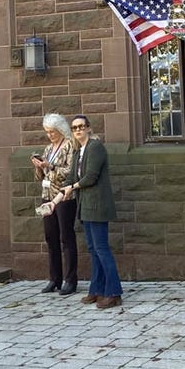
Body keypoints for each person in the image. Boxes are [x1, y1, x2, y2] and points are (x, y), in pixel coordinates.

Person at [51, 115, 123, 309]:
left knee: (101, 249)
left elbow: (91, 177)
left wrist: (72, 187)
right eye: (74, 128)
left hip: (97, 206)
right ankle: (97, 289)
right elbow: (70, 178)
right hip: (85, 207)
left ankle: (114, 292)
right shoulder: (78, 151)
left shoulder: (95, 147)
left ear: (89, 128)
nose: (78, 130)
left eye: (81, 126)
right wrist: (54, 202)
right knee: (92, 249)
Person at [31, 113, 78, 296]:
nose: (50, 135)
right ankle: (54, 278)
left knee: (66, 237)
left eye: (52, 132)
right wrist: (38, 166)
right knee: (50, 237)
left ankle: (70, 279)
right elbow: (40, 177)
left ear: (60, 130)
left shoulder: (69, 145)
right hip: (47, 195)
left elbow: (71, 172)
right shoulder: (48, 148)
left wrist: (50, 167)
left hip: (64, 196)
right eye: (47, 132)